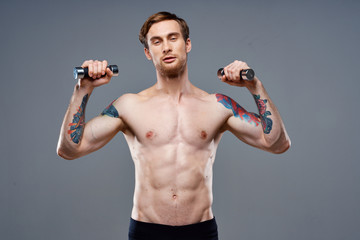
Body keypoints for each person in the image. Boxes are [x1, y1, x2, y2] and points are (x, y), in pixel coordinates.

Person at [57, 11, 291, 240]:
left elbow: (277, 144)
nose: (166, 47)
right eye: (157, 42)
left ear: (187, 44)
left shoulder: (218, 105)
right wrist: (84, 89)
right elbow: (69, 150)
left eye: (173, 38)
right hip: (146, 231)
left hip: (201, 231)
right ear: (148, 53)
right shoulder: (129, 105)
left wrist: (255, 86)